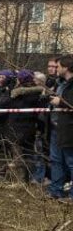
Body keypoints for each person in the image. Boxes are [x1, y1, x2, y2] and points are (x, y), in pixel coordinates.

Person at [2, 70, 45, 184]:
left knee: (18, 155)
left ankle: (20, 180)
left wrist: (9, 91)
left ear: (20, 80)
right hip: (30, 127)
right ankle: (30, 178)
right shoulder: (38, 93)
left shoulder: (16, 94)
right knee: (29, 154)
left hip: (16, 128)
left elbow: (4, 104)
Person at [47, 55, 73, 200]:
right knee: (55, 160)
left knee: (71, 162)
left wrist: (60, 102)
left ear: (66, 68)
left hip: (69, 128)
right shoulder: (60, 83)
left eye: (59, 66)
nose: (56, 69)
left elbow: (69, 104)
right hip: (56, 127)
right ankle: (55, 190)